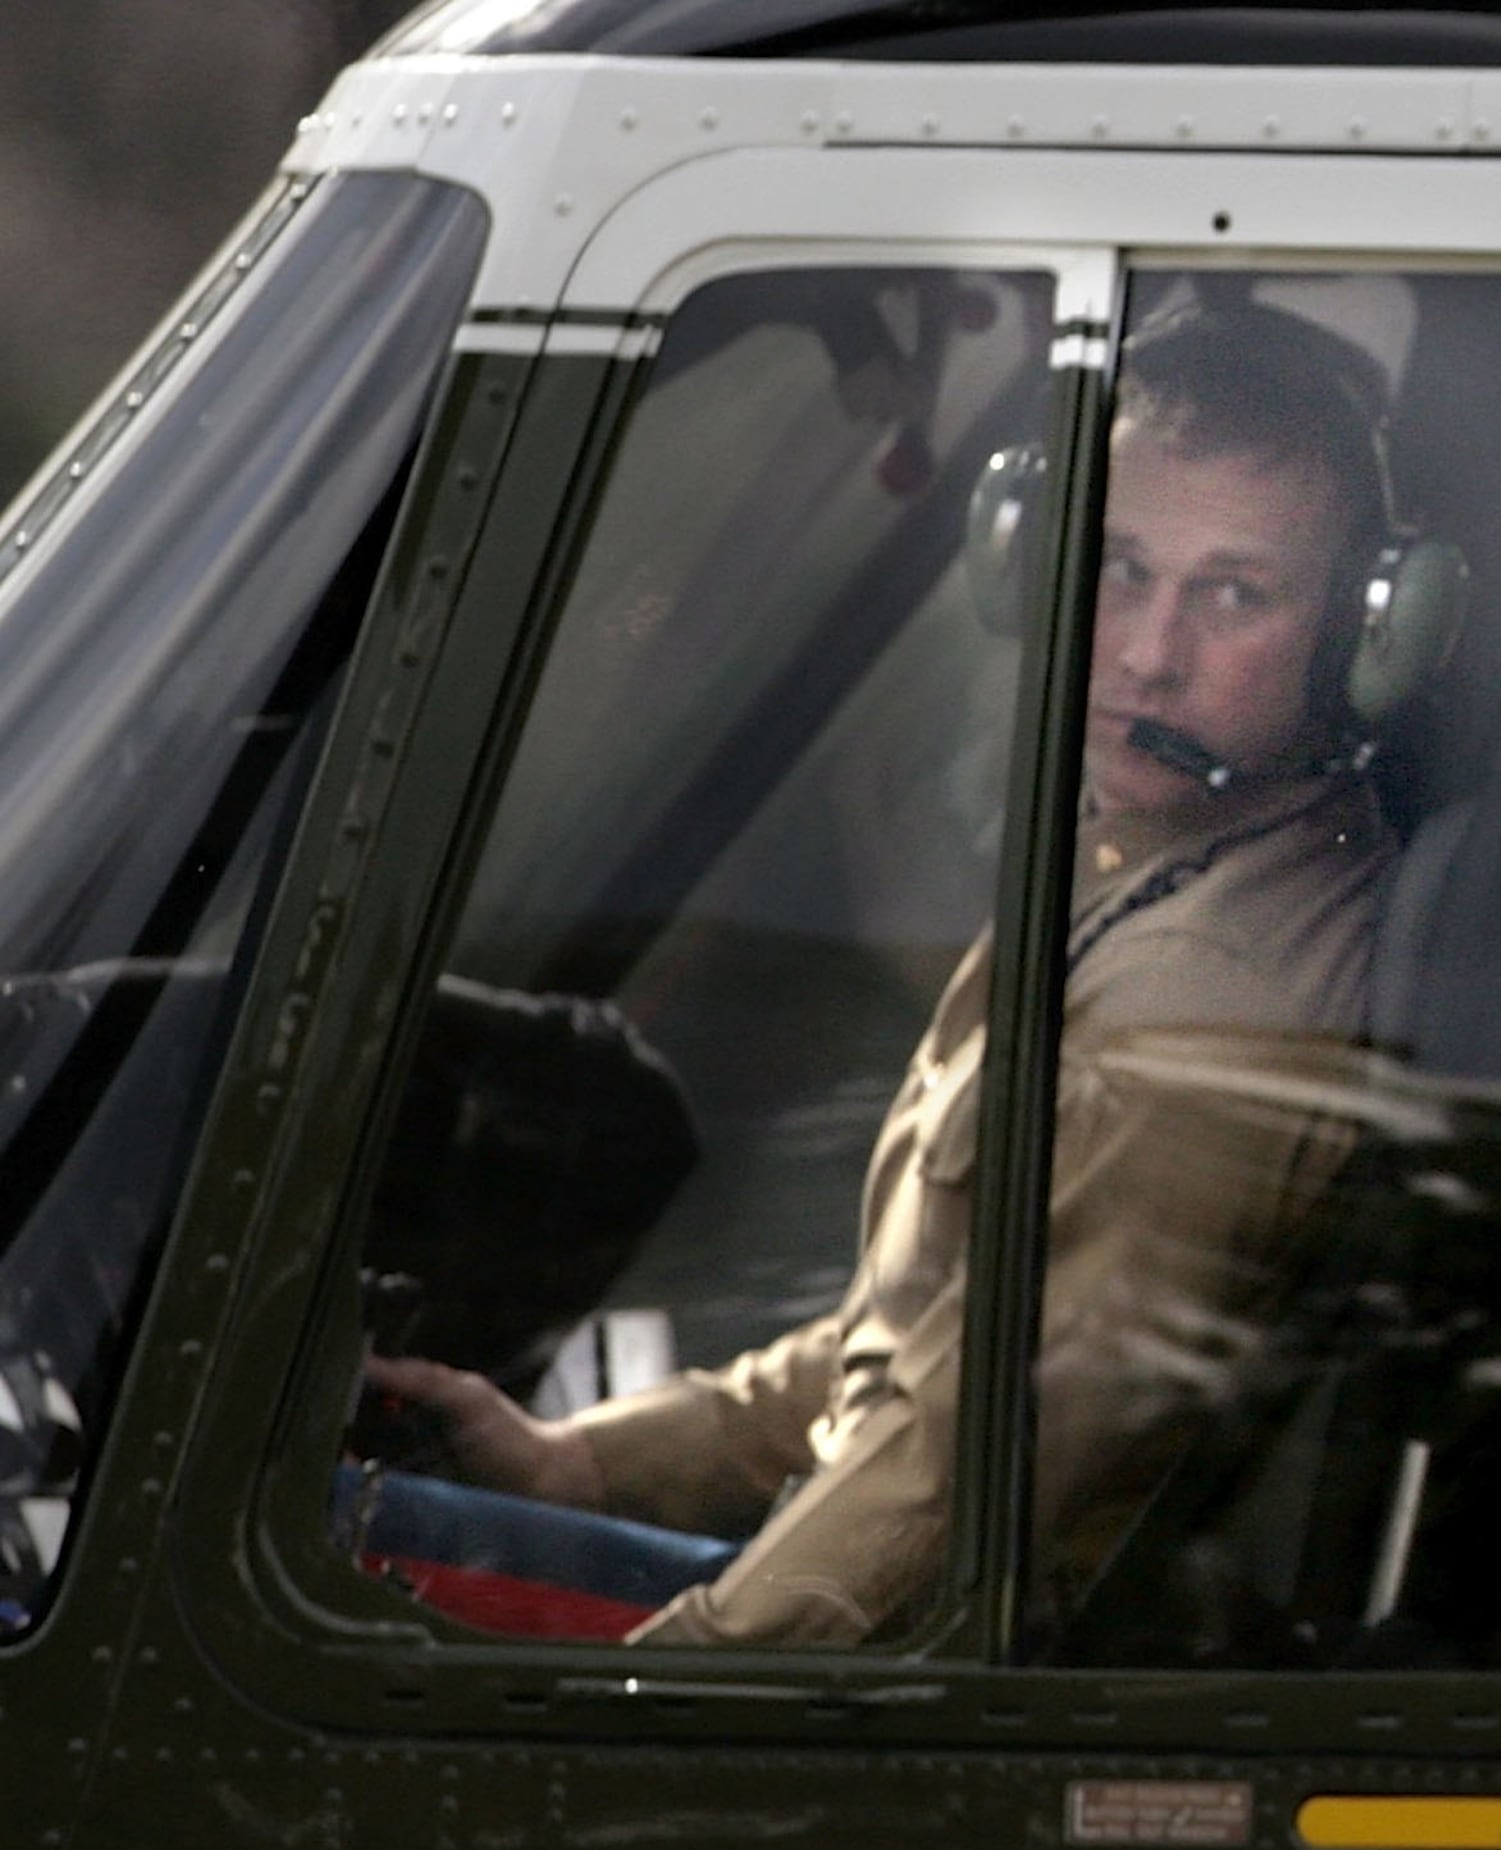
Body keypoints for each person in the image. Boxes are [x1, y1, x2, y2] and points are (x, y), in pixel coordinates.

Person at [367, 298, 1399, 1646]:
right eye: (1120, 567)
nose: (1149, 651)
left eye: (1234, 594)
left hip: (921, 1669)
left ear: (1360, 636)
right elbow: (906, 1352)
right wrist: (585, 1464)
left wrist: (664, 1694)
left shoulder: (1205, 1001)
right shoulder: (1138, 869)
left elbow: (955, 1478)